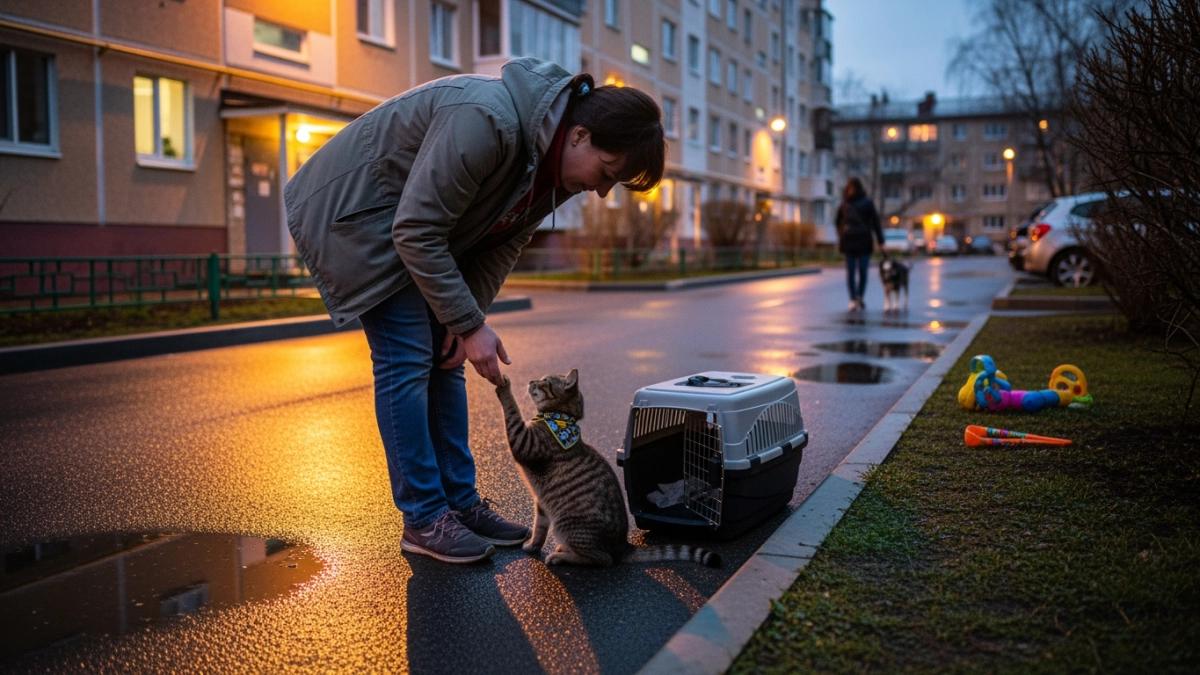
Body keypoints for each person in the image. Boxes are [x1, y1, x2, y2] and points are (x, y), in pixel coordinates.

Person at [284, 58, 665, 563]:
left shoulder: (548, 169)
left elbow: (502, 245)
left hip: (419, 231)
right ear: (578, 135)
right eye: (607, 173)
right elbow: (415, 229)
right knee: (407, 356)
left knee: (446, 357)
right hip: (359, 220)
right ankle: (423, 518)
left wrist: (464, 321)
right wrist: (469, 323)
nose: (600, 190)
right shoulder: (488, 121)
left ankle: (460, 505)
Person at [835, 177, 885, 311]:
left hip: (862, 241)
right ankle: (853, 298)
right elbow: (838, 221)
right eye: (850, 188)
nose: (852, 191)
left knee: (862, 270)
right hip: (851, 241)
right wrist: (842, 234)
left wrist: (881, 241)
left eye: (853, 188)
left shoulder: (866, 203)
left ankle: (859, 297)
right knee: (852, 272)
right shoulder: (845, 204)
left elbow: (875, 222)